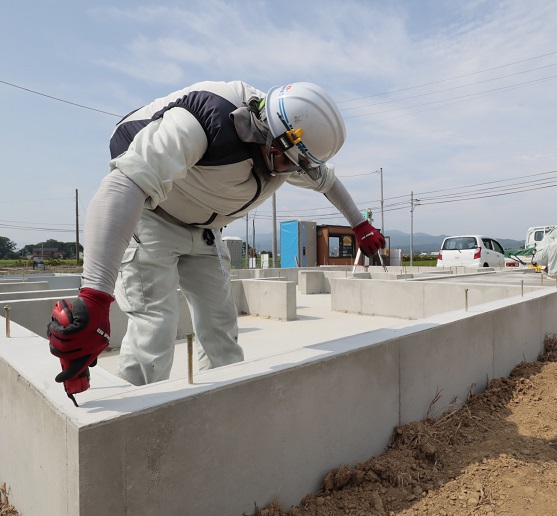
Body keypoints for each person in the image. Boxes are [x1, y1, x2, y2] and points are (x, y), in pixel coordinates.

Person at [47, 81, 385, 388]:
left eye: (297, 167)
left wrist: (359, 224)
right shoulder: (203, 121)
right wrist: (95, 295)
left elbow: (326, 182)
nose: (289, 173)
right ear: (268, 133)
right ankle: (135, 424)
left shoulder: (291, 150)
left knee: (221, 324)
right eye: (286, 163)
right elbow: (124, 183)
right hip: (154, 218)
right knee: (156, 330)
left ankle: (220, 408)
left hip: (207, 231)